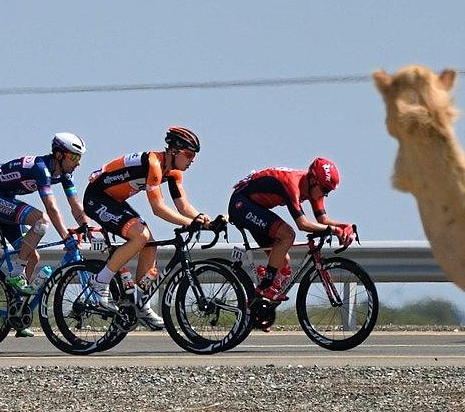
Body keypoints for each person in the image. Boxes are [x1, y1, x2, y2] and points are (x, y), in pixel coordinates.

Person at [81, 126, 212, 330]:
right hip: (96, 197)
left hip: (114, 199)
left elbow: (182, 205)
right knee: (140, 235)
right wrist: (188, 222)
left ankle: (140, 303)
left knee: (150, 244)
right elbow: (158, 208)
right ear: (174, 151)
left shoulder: (174, 173)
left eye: (194, 156)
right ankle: (100, 281)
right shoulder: (153, 164)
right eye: (189, 154)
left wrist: (201, 219)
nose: (192, 160)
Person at [226, 157, 353, 301]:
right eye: (324, 189)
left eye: (328, 191)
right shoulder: (292, 184)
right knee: (287, 234)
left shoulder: (313, 187)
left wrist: (343, 226)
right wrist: (334, 231)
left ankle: (255, 304)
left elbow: (323, 220)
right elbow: (302, 224)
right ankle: (264, 286)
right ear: (313, 180)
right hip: (241, 204)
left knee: (283, 262)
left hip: (255, 206)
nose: (325, 194)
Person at [0, 133, 89, 295]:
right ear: (59, 155)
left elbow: (76, 206)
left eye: (79, 157)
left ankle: (15, 304)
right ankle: (16, 274)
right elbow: (51, 207)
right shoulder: (41, 169)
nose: (78, 162)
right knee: (41, 220)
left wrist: (87, 227)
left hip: (7, 198)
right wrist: (66, 237)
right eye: (74, 157)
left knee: (33, 256)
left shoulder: (65, 175)